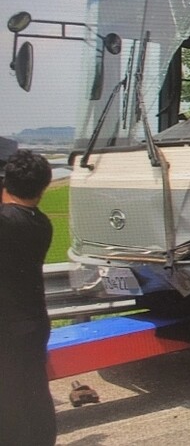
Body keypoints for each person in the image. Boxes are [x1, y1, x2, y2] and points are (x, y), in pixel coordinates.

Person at [0, 150, 56, 446]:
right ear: (43, 187)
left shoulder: (6, 222)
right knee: (35, 392)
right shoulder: (42, 224)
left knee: (8, 402)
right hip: (34, 322)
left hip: (6, 326)